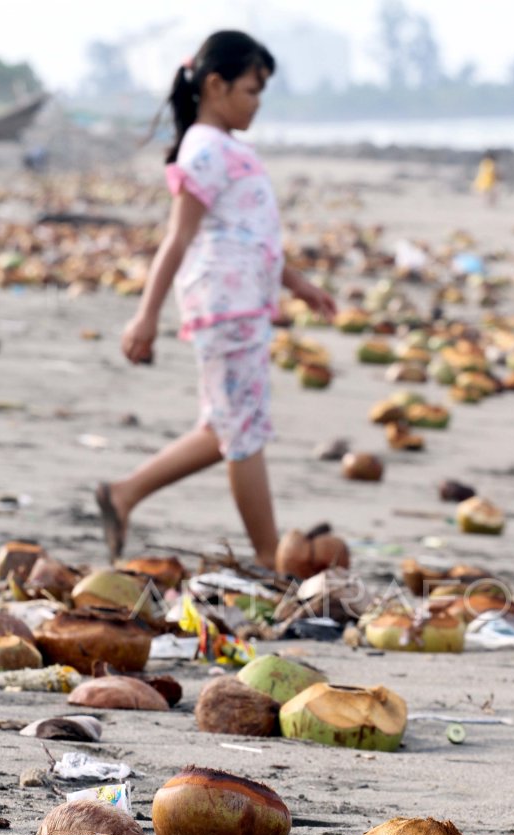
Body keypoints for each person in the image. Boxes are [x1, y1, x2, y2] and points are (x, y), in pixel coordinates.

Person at [96, 30, 335, 569]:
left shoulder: (223, 148)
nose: (257, 103)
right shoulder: (204, 149)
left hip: (243, 302)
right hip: (225, 306)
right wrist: (145, 316)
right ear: (215, 84)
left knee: (225, 426)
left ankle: (124, 493)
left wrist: (298, 284)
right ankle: (268, 551)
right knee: (243, 431)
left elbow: (249, 237)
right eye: (251, 90)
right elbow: (178, 237)